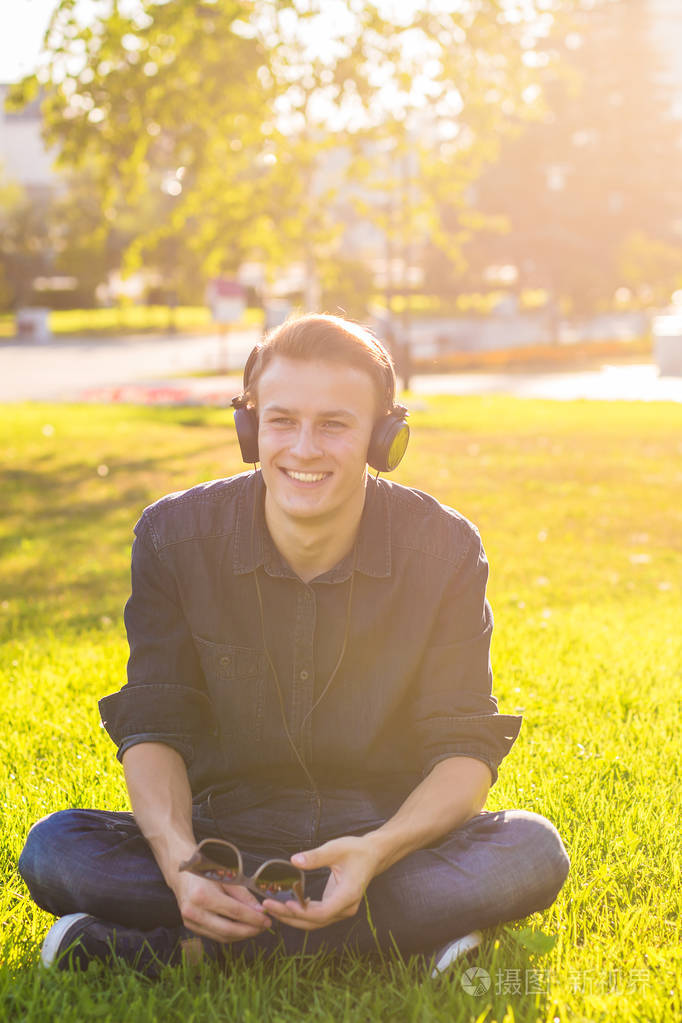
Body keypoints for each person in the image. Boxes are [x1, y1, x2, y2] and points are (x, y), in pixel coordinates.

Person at [18, 313, 569, 975]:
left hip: (384, 846)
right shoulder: (172, 535)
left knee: (532, 852)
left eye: (335, 424)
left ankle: (184, 953)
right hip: (221, 843)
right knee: (55, 850)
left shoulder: (446, 549)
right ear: (250, 428)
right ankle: (398, 944)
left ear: (382, 436)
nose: (304, 448)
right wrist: (180, 863)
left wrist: (379, 851)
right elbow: (155, 727)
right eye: (281, 420)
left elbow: (463, 752)